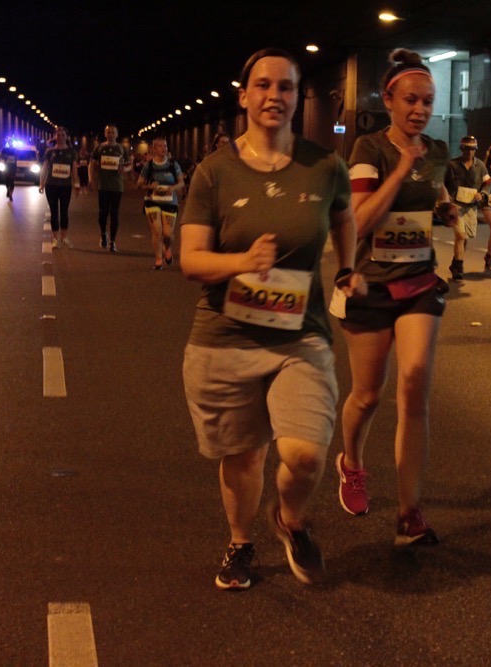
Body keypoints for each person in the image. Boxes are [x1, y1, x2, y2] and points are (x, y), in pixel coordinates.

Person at [180, 48, 364, 589]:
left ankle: (290, 519)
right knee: (243, 456)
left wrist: (347, 266)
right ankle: (240, 544)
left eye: (286, 87)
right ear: (244, 97)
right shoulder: (214, 173)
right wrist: (242, 262)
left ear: (297, 97)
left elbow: (344, 216)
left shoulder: (325, 166)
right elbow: (191, 260)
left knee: (305, 455)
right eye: (262, 85)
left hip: (299, 335)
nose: (274, 96)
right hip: (225, 337)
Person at [335, 48, 458, 547]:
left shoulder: (438, 151)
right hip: (369, 285)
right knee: (367, 395)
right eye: (411, 100)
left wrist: (446, 210)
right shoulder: (369, 149)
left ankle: (409, 513)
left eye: (428, 101)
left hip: (419, 283)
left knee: (413, 384)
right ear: (388, 99)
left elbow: (436, 193)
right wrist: (401, 168)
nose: (420, 110)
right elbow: (359, 222)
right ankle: (352, 463)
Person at [445, 136, 490, 280]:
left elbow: (488, 183)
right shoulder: (452, 165)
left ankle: (455, 262)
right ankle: (459, 268)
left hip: (471, 207)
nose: (470, 152)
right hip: (456, 205)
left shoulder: (480, 166)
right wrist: (447, 201)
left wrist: (482, 194)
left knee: (465, 237)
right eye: (467, 149)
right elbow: (443, 184)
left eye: (473, 149)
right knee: (460, 235)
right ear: (462, 149)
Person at [138, 137, 185, 270]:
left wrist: (173, 188)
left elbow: (181, 182)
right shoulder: (149, 166)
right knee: (157, 230)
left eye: (165, 146)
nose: (164, 148)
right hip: (152, 200)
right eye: (160, 146)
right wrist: (150, 186)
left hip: (170, 202)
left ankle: (167, 247)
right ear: (154, 149)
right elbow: (139, 184)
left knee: (168, 234)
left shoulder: (173, 165)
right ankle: (158, 260)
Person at [88, 125, 129, 252]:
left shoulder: (121, 148)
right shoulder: (99, 148)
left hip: (117, 187)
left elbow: (129, 165)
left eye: (113, 132)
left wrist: (124, 169)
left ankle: (113, 241)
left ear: (117, 134)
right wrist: (91, 179)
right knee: (103, 214)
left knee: (114, 214)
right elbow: (92, 164)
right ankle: (103, 234)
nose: (111, 135)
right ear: (105, 134)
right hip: (103, 186)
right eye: (108, 132)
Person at [38, 126, 81, 249]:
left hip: (65, 186)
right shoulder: (50, 152)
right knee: (54, 211)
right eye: (58, 135)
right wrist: (41, 183)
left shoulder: (71, 152)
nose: (60, 137)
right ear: (54, 137)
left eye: (63, 135)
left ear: (66, 137)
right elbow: (45, 168)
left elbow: (74, 170)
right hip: (51, 185)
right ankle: (55, 238)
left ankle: (64, 237)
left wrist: (77, 184)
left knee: (64, 211)